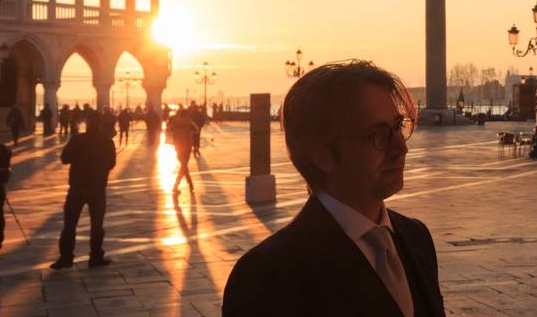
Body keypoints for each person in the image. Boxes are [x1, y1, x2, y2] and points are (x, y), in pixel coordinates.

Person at [223, 60, 445, 316]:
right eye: (378, 135)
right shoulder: (267, 276)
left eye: (398, 126)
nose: (401, 148)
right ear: (323, 156)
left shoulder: (416, 238)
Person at [51, 110, 116, 269]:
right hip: (97, 188)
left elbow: (65, 159)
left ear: (87, 123)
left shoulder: (78, 140)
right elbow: (111, 163)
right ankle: (95, 257)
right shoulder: (106, 141)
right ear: (100, 123)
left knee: (70, 224)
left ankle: (66, 257)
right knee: (97, 225)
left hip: (77, 187)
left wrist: (80, 159)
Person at [168, 108, 198, 194]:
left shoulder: (175, 121)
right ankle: (179, 186)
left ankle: (188, 185)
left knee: (184, 166)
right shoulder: (189, 122)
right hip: (187, 146)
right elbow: (197, 129)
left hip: (178, 146)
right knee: (184, 166)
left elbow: (169, 129)